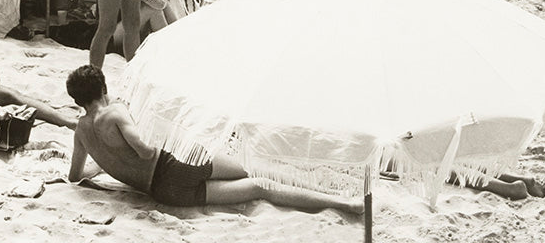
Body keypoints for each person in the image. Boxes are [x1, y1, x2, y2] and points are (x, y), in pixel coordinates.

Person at [65, 64, 362, 214]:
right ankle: (336, 190)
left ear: (78, 99)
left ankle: (345, 205)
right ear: (103, 87)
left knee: (261, 188)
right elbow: (143, 151)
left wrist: (106, 164)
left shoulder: (81, 131)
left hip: (164, 192)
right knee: (255, 168)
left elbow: (76, 176)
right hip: (176, 165)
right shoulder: (115, 112)